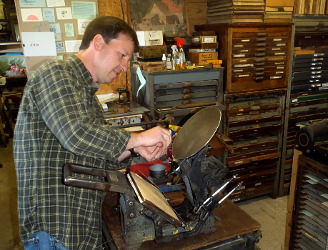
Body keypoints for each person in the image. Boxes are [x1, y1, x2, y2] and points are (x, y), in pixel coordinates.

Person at [14, 16, 171, 249]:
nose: (125, 66)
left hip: (80, 225)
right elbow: (76, 135)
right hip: (55, 227)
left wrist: (134, 149)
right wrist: (138, 136)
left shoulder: (87, 96)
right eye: (122, 54)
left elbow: (96, 157)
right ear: (98, 42)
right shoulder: (55, 74)